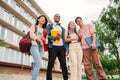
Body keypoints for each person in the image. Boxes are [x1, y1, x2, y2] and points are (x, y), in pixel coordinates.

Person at [46, 13, 69, 80]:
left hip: (62, 47)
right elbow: (47, 36)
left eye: (59, 16)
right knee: (50, 64)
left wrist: (67, 48)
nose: (57, 17)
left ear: (60, 18)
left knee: (63, 64)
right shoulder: (50, 26)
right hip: (53, 47)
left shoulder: (63, 28)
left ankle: (66, 79)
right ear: (54, 18)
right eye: (56, 16)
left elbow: (65, 39)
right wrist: (54, 38)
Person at [30, 15, 48, 80]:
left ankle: (33, 78)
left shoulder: (45, 30)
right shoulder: (34, 26)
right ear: (38, 19)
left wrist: (44, 39)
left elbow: (46, 41)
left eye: (44, 19)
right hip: (34, 44)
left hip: (41, 47)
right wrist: (39, 39)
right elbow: (31, 35)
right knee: (39, 63)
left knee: (36, 63)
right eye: (42, 18)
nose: (43, 20)